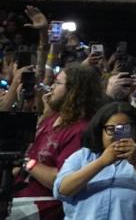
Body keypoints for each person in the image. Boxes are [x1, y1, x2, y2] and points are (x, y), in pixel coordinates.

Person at [13, 63, 105, 197]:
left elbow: (62, 180)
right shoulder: (52, 118)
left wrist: (27, 163)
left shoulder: (80, 130)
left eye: (57, 83)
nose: (52, 87)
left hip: (44, 206)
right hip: (19, 194)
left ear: (74, 90)